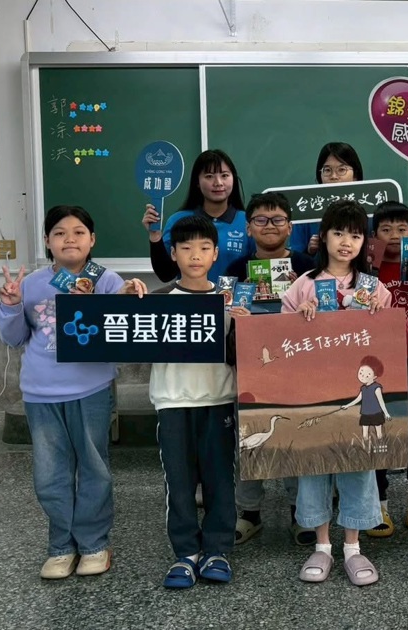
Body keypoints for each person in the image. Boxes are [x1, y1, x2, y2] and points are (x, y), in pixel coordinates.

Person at [0, 205, 146, 579]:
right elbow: (14, 338)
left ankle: (94, 544)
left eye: (79, 232)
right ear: (47, 241)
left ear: (92, 239)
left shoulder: (107, 280)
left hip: (90, 389)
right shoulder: (32, 284)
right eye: (59, 233)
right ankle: (61, 545)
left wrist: (128, 295)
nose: (69, 239)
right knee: (50, 473)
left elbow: (123, 332)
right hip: (40, 392)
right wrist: (10, 306)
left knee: (94, 467)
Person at [281, 200, 391, 586]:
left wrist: (379, 312)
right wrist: (301, 317)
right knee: (314, 467)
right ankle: (322, 546)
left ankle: (353, 548)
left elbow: (387, 341)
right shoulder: (303, 284)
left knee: (358, 465)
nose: (346, 242)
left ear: (364, 242)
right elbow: (282, 340)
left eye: (355, 235)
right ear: (323, 236)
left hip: (355, 394)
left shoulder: (373, 287)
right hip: (314, 392)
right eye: (338, 233)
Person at [151, 215, 248, 589]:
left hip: (218, 399)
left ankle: (217, 550)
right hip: (172, 401)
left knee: (220, 479)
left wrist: (244, 326)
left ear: (216, 254)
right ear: (173, 253)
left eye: (204, 247)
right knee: (178, 482)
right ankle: (186, 553)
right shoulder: (159, 300)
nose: (195, 255)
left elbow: (238, 355)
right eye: (186, 247)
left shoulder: (229, 299)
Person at [223, 191, 315, 546]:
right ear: (249, 228)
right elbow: (222, 322)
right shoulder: (235, 270)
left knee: (295, 439)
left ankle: (299, 512)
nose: (270, 226)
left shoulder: (308, 266)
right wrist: (234, 315)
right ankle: (249, 512)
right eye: (261, 220)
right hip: (251, 369)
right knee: (248, 440)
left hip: (298, 369)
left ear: (290, 227)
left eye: (278, 219)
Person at [369, 201, 408, 537]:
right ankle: (377, 501)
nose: (394, 235)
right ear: (373, 235)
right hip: (377, 356)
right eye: (385, 229)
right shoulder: (367, 268)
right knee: (376, 426)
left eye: (401, 229)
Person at [142, 149, 253, 283]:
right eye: (209, 176)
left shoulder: (249, 221)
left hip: (236, 297)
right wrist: (155, 236)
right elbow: (166, 274)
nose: (218, 182)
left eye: (224, 175)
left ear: (233, 179)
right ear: (197, 182)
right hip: (192, 296)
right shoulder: (178, 220)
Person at [289, 142, 365, 256]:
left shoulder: (370, 206)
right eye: (327, 170)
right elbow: (295, 253)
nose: (333, 176)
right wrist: (309, 251)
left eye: (341, 170)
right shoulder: (305, 210)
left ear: (355, 175)